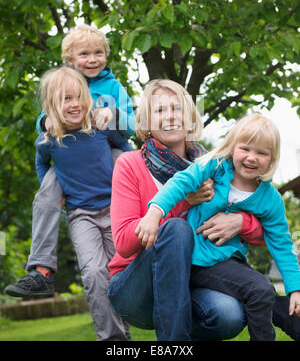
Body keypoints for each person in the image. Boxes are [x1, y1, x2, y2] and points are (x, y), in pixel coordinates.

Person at [107, 79, 269, 341]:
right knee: (177, 228)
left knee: (229, 315)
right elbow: (125, 243)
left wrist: (241, 222)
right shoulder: (129, 164)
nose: (170, 116)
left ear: (190, 117)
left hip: (195, 279)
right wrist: (183, 202)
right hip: (136, 288)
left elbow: (265, 233)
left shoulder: (215, 167)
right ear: (147, 123)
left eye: (176, 108)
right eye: (159, 111)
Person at [137, 112, 300, 340]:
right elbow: (180, 183)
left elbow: (282, 245)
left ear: (271, 159)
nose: (252, 158)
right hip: (195, 260)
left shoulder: (270, 199)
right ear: (233, 147)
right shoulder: (214, 167)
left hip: (227, 262)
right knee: (259, 289)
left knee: (266, 295)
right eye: (245, 148)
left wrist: (295, 289)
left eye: (261, 153)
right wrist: (154, 213)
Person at [5, 24, 135, 298]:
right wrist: (45, 120)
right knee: (47, 192)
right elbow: (46, 121)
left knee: (126, 164)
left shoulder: (112, 86)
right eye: (84, 54)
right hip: (66, 155)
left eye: (98, 53)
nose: (92, 59)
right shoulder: (63, 83)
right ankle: (41, 270)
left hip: (106, 148)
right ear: (70, 60)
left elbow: (132, 127)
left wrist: (111, 113)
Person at [32, 66, 131, 340]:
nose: (74, 104)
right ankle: (111, 338)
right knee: (93, 272)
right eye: (65, 99)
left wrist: (130, 181)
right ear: (51, 106)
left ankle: (125, 332)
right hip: (80, 215)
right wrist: (54, 191)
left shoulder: (99, 128)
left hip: (114, 209)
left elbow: (125, 148)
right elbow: (42, 165)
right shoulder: (49, 140)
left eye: (78, 97)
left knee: (117, 271)